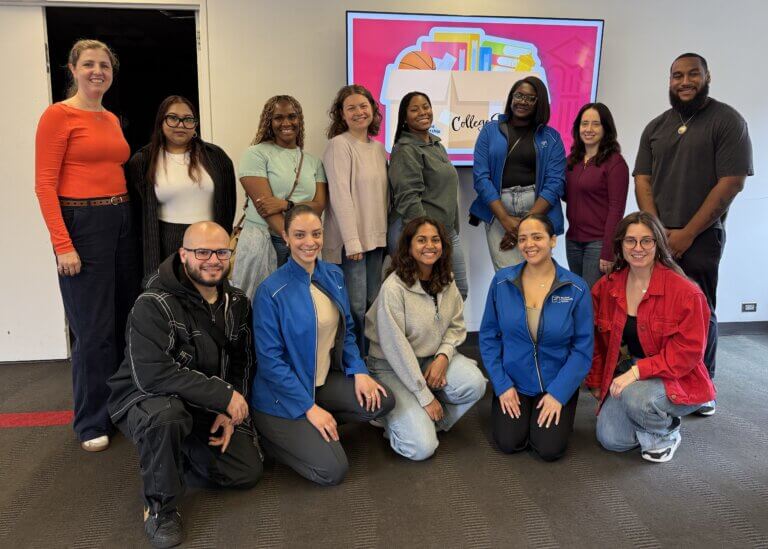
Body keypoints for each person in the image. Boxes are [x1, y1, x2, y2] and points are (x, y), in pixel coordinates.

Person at [108, 221, 262, 548]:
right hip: (147, 397)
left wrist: (230, 409)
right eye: (202, 252)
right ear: (183, 254)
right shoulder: (153, 303)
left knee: (246, 472)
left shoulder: (236, 303)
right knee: (167, 417)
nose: (213, 260)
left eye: (222, 251)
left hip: (200, 398)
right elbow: (154, 375)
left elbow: (242, 361)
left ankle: (169, 454)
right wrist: (223, 395)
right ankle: (160, 506)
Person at [34, 39, 140, 452]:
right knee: (92, 331)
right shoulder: (57, 116)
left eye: (105, 66)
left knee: (122, 320)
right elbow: (44, 185)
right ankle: (91, 420)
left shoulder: (110, 118)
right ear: (73, 68)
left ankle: (120, 407)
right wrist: (63, 245)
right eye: (89, 64)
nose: (98, 71)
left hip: (121, 219)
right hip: (82, 222)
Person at [634, 53, 753, 416]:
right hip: (658, 238)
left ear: (707, 77)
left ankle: (704, 387)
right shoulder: (656, 126)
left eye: (692, 74)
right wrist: (655, 231)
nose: (684, 81)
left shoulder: (727, 121)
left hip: (701, 238)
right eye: (676, 76)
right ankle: (667, 377)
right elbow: (642, 178)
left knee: (700, 312)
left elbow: (732, 182)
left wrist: (686, 233)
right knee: (659, 311)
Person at [251, 205, 394, 486]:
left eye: (316, 234)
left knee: (382, 400)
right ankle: (271, 436)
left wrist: (360, 371)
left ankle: (317, 424)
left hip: (320, 382)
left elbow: (347, 332)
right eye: (300, 235)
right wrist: (308, 407)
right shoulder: (270, 290)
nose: (309, 242)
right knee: (333, 470)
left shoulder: (333, 275)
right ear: (286, 237)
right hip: (281, 397)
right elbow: (270, 363)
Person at [586, 212, 716, 463]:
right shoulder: (606, 286)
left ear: (658, 245)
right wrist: (596, 381)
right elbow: (595, 341)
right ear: (620, 245)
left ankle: (665, 433)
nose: (638, 248)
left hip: (677, 376)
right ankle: (648, 420)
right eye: (630, 241)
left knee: (637, 398)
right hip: (629, 371)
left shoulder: (686, 292)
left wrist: (637, 372)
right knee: (612, 440)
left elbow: (688, 354)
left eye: (646, 241)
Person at [366, 217, 486, 460]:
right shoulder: (393, 288)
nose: (429, 245)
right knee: (421, 449)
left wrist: (443, 355)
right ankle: (394, 419)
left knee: (476, 384)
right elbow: (396, 349)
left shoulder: (447, 278)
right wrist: (424, 396)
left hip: (429, 358)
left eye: (435, 240)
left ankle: (424, 420)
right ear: (408, 247)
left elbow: (456, 326)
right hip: (391, 366)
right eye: (421, 240)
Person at [480, 213, 593, 461]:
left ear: (553, 241)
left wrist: (559, 394)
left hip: (555, 381)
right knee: (509, 443)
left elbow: (583, 349)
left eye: (537, 237)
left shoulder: (576, 288)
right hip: (514, 379)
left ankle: (558, 408)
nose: (529, 244)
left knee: (549, 449)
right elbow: (489, 337)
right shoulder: (501, 282)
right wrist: (502, 385)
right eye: (522, 239)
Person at [126, 95, 237, 277]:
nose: (180, 125)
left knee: (208, 294)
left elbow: (228, 203)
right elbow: (138, 215)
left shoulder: (216, 157)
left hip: (209, 240)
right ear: (161, 122)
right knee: (170, 297)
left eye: (188, 119)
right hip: (165, 243)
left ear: (195, 124)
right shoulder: (143, 161)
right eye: (173, 118)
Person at [232, 95, 327, 299]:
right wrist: (291, 239)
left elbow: (318, 206)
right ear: (269, 121)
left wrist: (285, 204)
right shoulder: (256, 154)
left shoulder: (313, 162)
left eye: (292, 116)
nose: (286, 123)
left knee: (297, 304)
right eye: (278, 117)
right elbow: (265, 207)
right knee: (259, 304)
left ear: (299, 120)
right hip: (265, 240)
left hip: (301, 243)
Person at [470, 76, 566, 271]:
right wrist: (506, 221)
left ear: (539, 103)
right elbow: (481, 178)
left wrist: (526, 226)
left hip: (538, 210)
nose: (523, 101)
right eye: (519, 95)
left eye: (530, 98)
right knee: (507, 277)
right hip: (498, 211)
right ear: (511, 97)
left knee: (536, 273)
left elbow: (555, 183)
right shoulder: (489, 131)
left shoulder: (552, 137)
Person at [323, 84, 388, 355]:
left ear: (373, 109)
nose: (359, 112)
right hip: (353, 245)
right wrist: (352, 241)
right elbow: (340, 196)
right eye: (351, 108)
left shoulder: (378, 149)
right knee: (355, 307)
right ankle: (353, 362)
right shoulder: (339, 145)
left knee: (372, 304)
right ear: (342, 114)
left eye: (363, 106)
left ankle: (369, 360)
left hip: (376, 240)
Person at [388, 91, 467, 299]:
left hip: (446, 232)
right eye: (414, 109)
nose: (422, 112)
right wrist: (426, 237)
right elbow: (408, 197)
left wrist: (449, 231)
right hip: (423, 236)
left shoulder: (436, 145)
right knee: (428, 297)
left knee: (458, 293)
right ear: (405, 118)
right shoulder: (405, 150)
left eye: (426, 107)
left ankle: (443, 333)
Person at [564, 103, 629, 288]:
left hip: (598, 243)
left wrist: (608, 251)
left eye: (595, 124)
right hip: (573, 241)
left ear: (605, 128)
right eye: (584, 124)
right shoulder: (572, 160)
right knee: (577, 295)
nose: (589, 129)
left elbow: (616, 210)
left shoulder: (615, 163)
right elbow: (568, 195)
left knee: (591, 301)